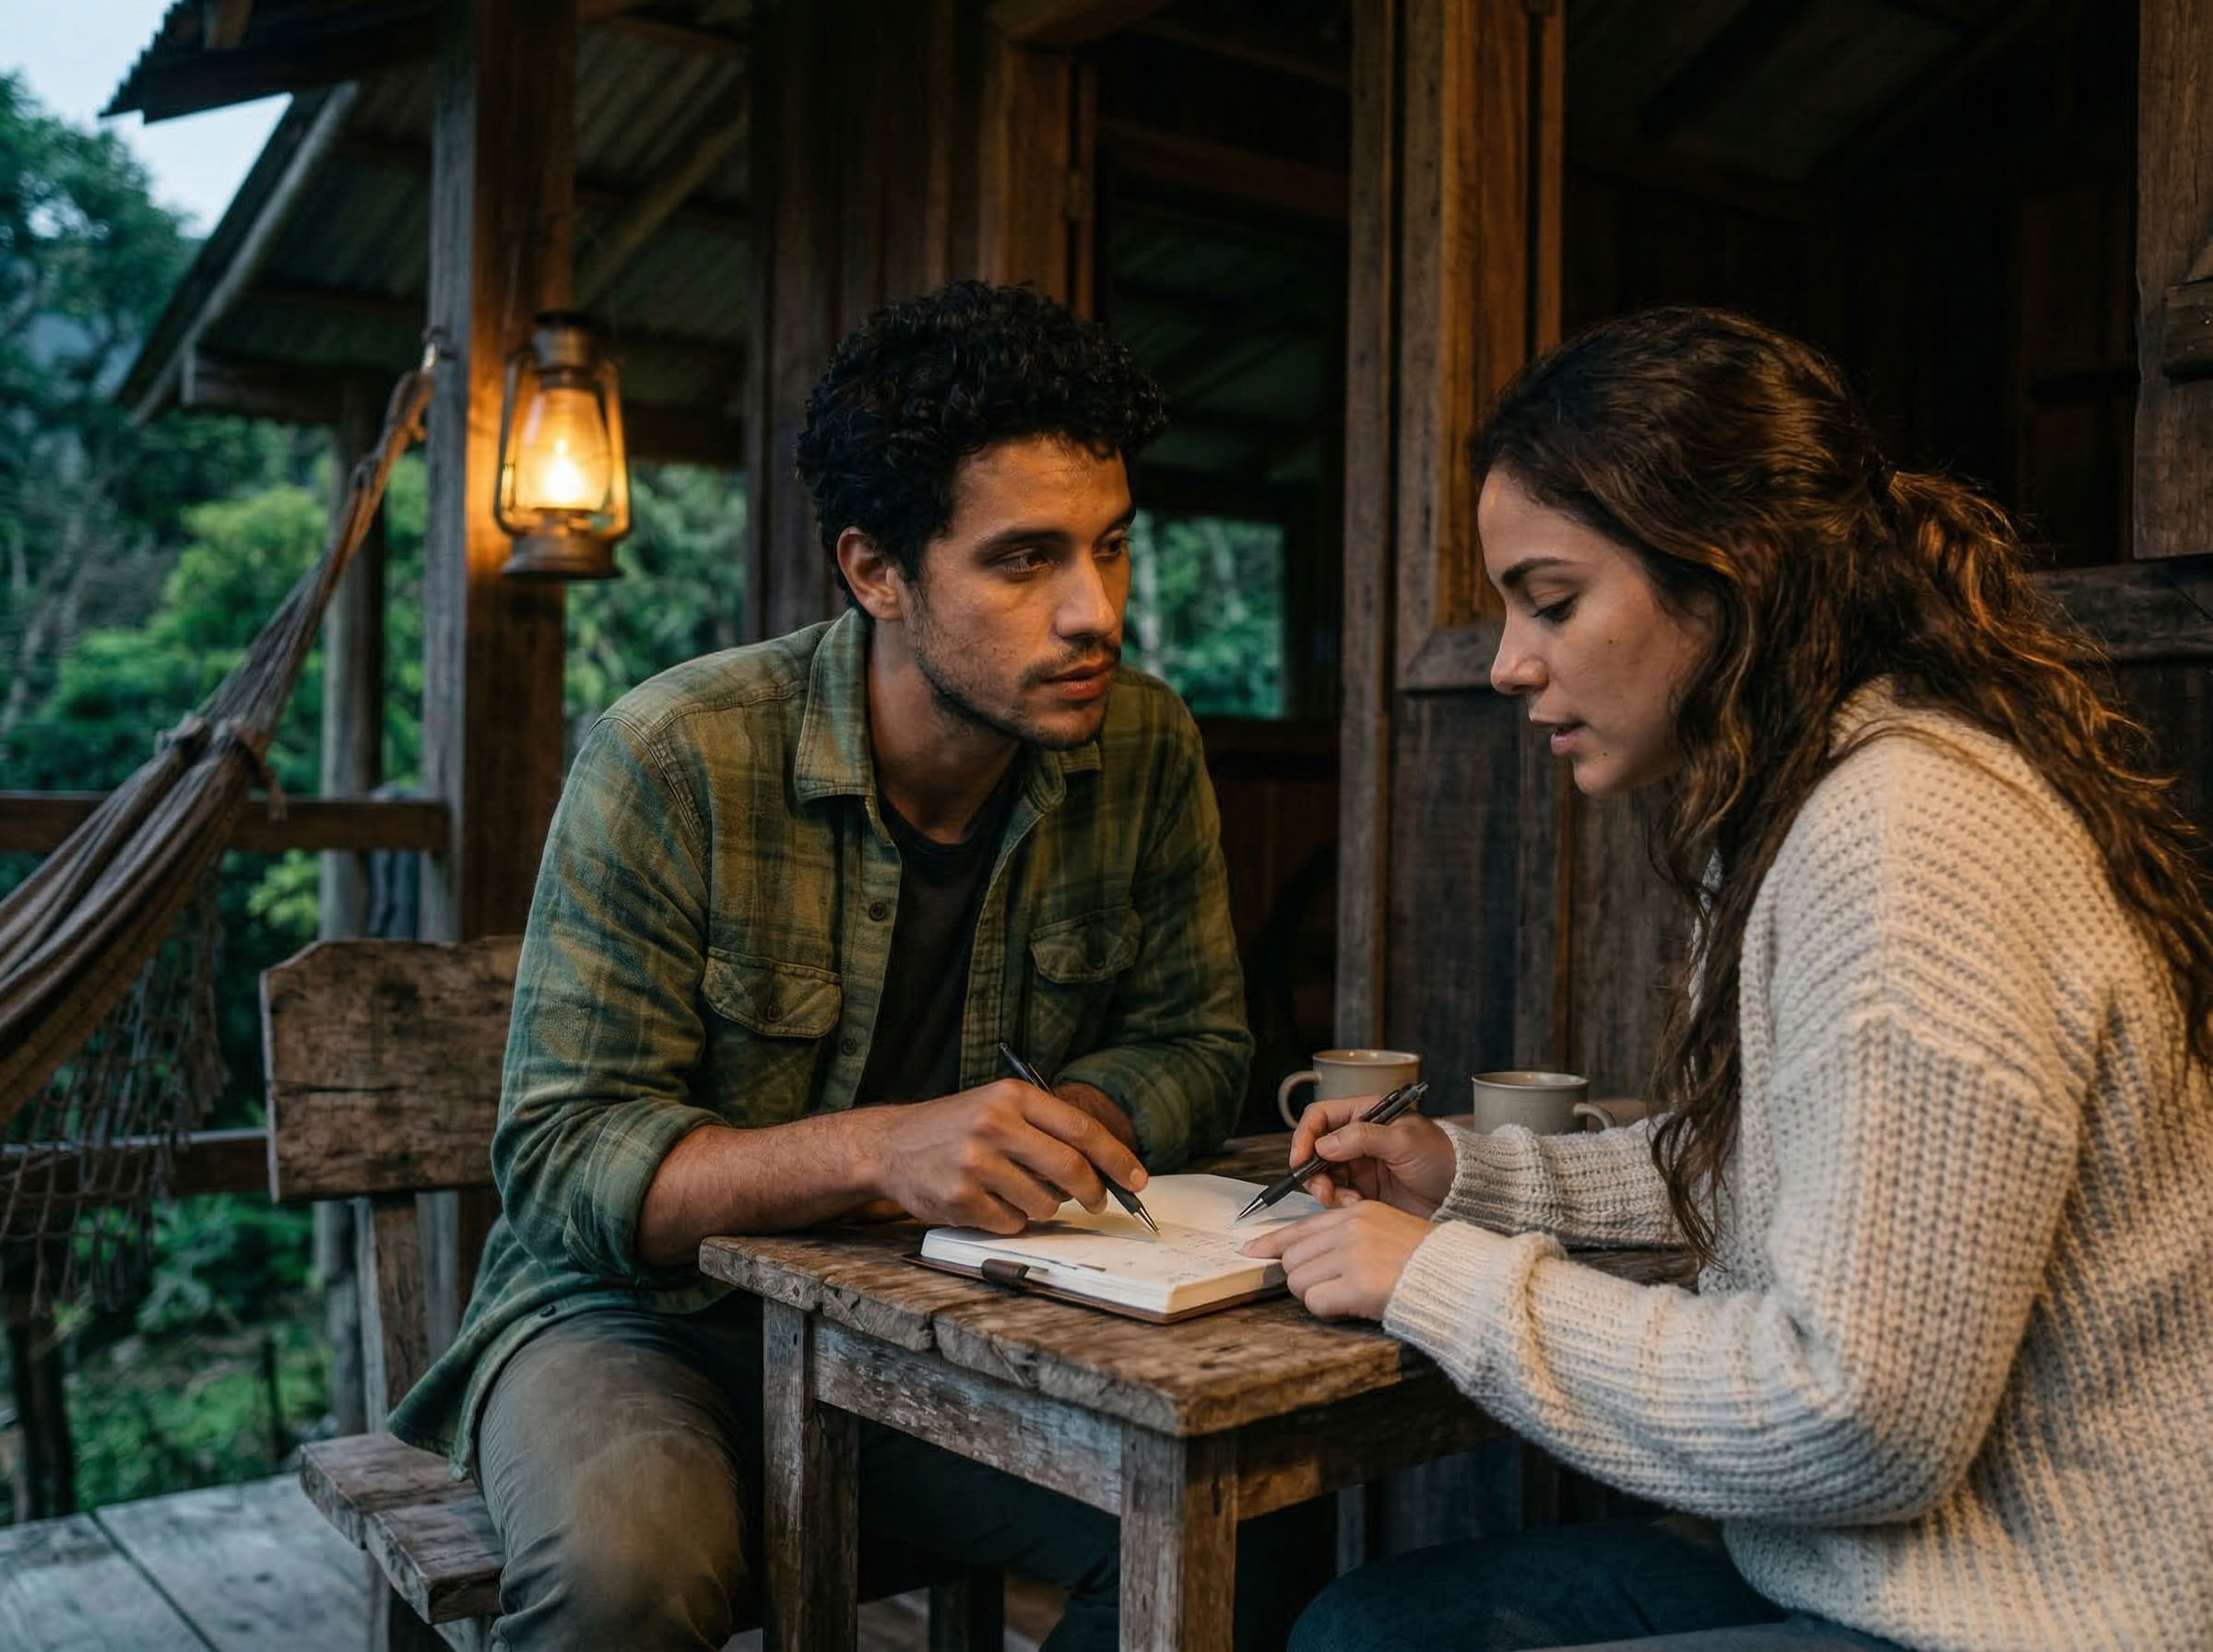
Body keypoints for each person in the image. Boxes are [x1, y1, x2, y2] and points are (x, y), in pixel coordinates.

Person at [1246, 306, 2213, 1651]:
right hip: (1863, 1577)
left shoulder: (1905, 842)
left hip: (2033, 1614)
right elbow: (1766, 1171)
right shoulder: (1803, 804)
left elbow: (1858, 1417)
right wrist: (1461, 1176)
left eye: (1553, 600)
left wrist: (1437, 1278)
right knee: (1369, 1624)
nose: (1511, 662)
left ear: (1726, 573)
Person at [390, 281, 1326, 1650]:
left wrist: (1053, 1138)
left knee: (1253, 1517)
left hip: (960, 1311)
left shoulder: (1145, 745)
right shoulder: (675, 756)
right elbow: (565, 1153)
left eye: (1112, 549)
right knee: (628, 1577)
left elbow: (1197, 1041)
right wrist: (887, 1150)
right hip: (645, 1324)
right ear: (876, 570)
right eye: (1024, 561)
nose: (1093, 613)